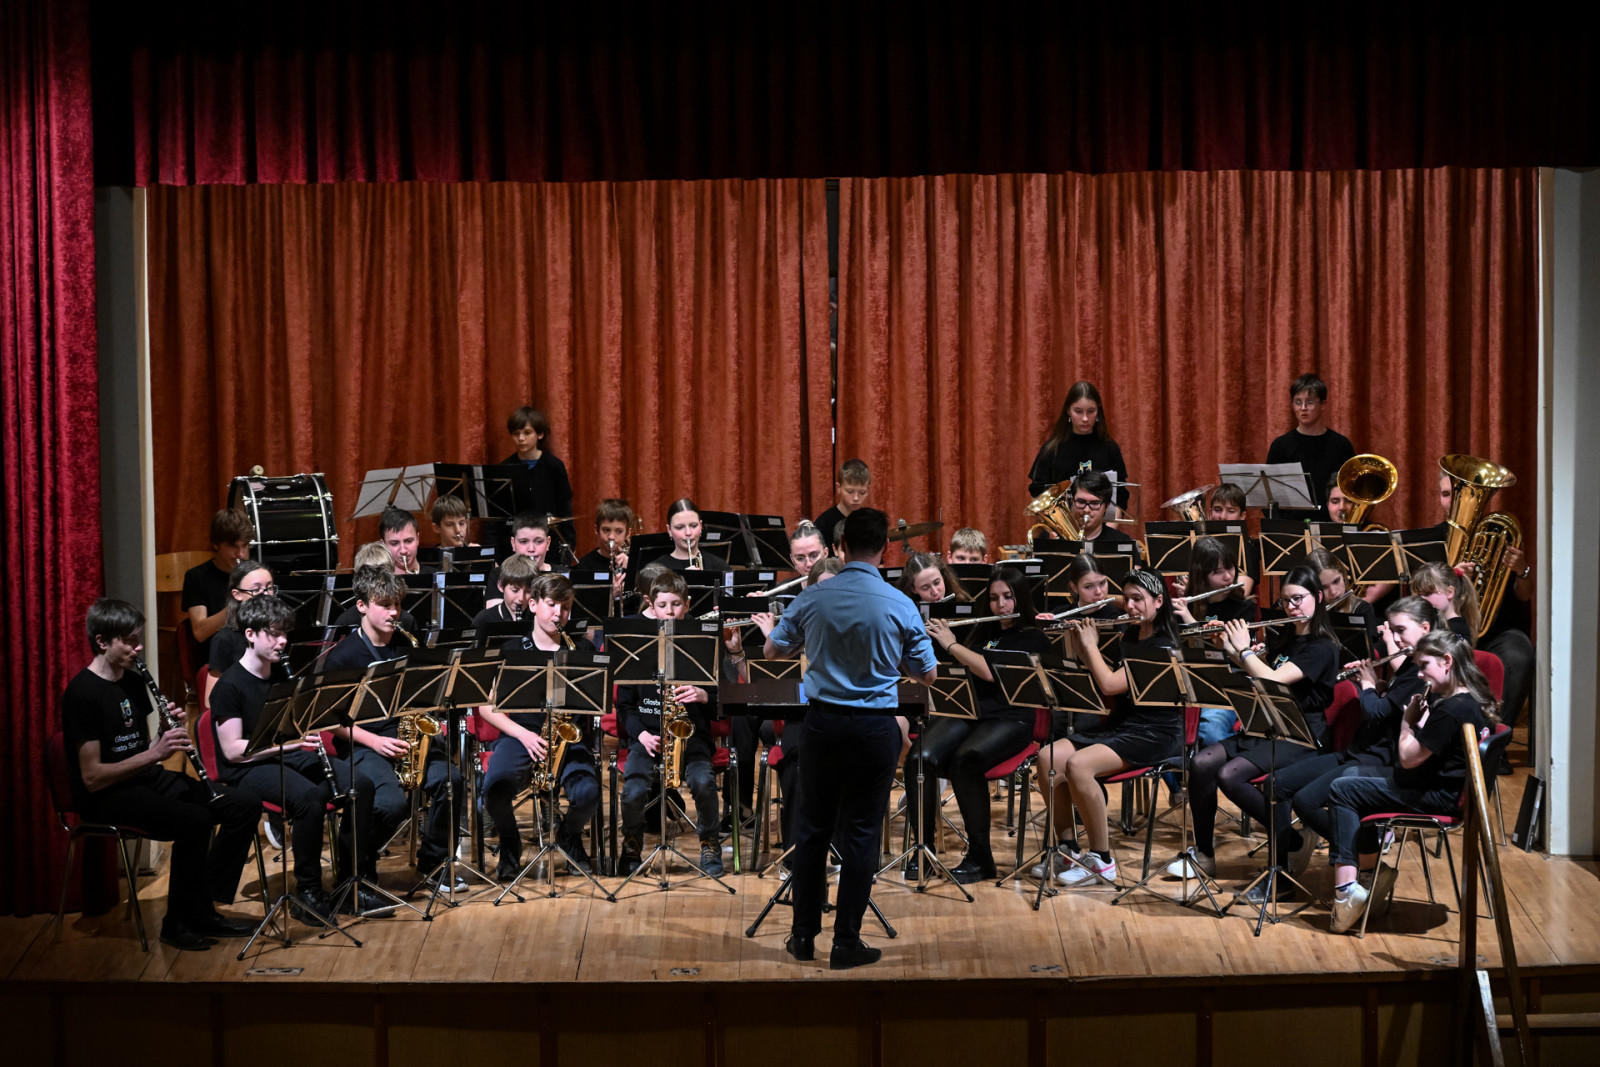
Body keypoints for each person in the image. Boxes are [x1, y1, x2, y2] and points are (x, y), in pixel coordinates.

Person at [760, 508, 938, 970]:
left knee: (812, 830)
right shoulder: (900, 603)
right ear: (884, 549)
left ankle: (803, 936)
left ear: (839, 547)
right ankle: (846, 942)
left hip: (823, 724)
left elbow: (772, 650)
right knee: (861, 834)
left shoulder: (814, 597)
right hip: (874, 727)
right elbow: (928, 674)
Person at [63, 598, 259, 950]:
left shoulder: (133, 682)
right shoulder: (82, 694)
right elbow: (92, 777)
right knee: (196, 820)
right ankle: (177, 923)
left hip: (143, 780)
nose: (138, 648)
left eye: (138, 639)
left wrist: (163, 735)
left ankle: (203, 904)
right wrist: (156, 753)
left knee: (242, 804)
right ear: (102, 641)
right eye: (129, 641)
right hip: (106, 796)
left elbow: (140, 750)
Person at [1174, 565, 1340, 897]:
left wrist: (1245, 649)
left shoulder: (1323, 647)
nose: (1291, 607)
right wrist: (1229, 648)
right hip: (1268, 726)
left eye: (1298, 599)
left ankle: (1287, 850)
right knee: (1202, 763)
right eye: (1285, 601)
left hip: (1301, 735)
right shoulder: (1286, 636)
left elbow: (1274, 681)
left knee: (1230, 775)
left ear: (1319, 598)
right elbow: (1257, 675)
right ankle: (1204, 855)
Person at [211, 594, 380, 917]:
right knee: (309, 798)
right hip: (247, 768)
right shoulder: (230, 685)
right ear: (250, 634)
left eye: (285, 634)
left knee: (361, 785)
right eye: (274, 634)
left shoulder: (282, 675)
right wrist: (292, 744)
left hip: (284, 755)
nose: (283, 641)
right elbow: (233, 751)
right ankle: (308, 892)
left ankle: (351, 882)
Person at [1322, 631, 1497, 933]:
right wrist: (1423, 723)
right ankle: (1367, 877)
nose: (1419, 674)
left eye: (1424, 665)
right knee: (1351, 776)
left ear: (1447, 661)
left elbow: (1407, 758)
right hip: (1439, 786)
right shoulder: (1470, 700)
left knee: (1341, 789)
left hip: (1437, 796)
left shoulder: (1452, 709)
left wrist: (1407, 723)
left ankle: (1346, 892)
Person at [1032, 569, 1180, 887]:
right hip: (1123, 725)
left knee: (1078, 765)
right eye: (1126, 599)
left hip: (1155, 731)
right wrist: (1077, 642)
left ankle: (1102, 860)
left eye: (1138, 599)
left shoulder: (1162, 645)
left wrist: (1090, 647)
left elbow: (1110, 684)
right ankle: (1067, 848)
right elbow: (1106, 674)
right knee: (1047, 757)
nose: (1130, 606)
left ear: (1159, 601)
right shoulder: (1132, 635)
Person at [1274, 598, 1441, 879]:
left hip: (1377, 760)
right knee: (1280, 783)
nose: (1394, 639)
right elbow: (1391, 703)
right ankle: (1356, 856)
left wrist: (1367, 685)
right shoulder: (1409, 665)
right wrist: (1378, 684)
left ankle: (1364, 860)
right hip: (1358, 751)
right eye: (1392, 631)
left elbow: (1377, 712)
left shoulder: (1421, 672)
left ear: (1425, 628)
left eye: (1401, 630)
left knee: (1306, 801)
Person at [322, 567, 464, 890]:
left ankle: (434, 862)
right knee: (391, 805)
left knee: (451, 781)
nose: (394, 612)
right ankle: (359, 866)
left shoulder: (407, 644)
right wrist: (374, 742)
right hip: (362, 744)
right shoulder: (342, 657)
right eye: (385, 605)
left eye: (397, 604)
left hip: (404, 738)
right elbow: (330, 722)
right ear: (361, 606)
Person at [912, 567, 1052, 882]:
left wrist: (951, 644)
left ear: (1021, 598)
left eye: (1008, 597)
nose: (1001, 605)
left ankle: (981, 856)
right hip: (971, 712)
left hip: (1013, 717)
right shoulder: (981, 631)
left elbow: (990, 672)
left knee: (967, 760)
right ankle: (923, 850)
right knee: (920, 757)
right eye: (993, 598)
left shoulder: (1033, 637)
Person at [476, 574, 601, 879]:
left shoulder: (582, 650)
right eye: (552, 605)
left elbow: (597, 704)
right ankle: (510, 844)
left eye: (566, 607)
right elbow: (485, 706)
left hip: (568, 738)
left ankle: (569, 835)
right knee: (494, 790)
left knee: (588, 793)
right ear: (533, 604)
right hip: (520, 736)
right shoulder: (511, 650)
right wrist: (523, 734)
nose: (559, 614)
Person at [614, 571, 735, 877]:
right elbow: (624, 706)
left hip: (692, 738)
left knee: (704, 783)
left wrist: (704, 695)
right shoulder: (636, 647)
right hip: (649, 739)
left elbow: (727, 697)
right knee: (632, 791)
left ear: (687, 605)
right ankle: (631, 843)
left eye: (676, 604)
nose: (669, 612)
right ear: (651, 606)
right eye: (662, 605)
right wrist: (642, 735)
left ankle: (709, 843)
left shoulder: (704, 645)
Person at [1170, 536, 1257, 749]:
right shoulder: (1186, 605)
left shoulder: (1243, 607)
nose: (1228, 576)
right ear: (1202, 576)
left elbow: (1231, 657)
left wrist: (1190, 621)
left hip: (1228, 679)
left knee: (1210, 731)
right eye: (1218, 572)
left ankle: (1228, 759)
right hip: (1190, 678)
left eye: (1230, 568)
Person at [1027, 381, 1131, 511]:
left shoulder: (1110, 448)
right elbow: (1037, 493)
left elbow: (1121, 495)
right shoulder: (1051, 449)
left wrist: (1111, 523)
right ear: (1068, 411)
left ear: (1098, 411)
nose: (1085, 418)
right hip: (1061, 522)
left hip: (1102, 522)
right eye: (1078, 411)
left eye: (1091, 411)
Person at [1265, 373, 1356, 510]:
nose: (1303, 408)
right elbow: (1269, 495)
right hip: (1291, 522)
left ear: (1323, 405)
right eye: (1298, 402)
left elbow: (1353, 493)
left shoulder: (1341, 445)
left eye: (1310, 402)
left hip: (1331, 521)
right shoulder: (1280, 446)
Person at [182, 508, 255, 657]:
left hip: (252, 655)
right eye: (233, 546)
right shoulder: (196, 577)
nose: (240, 554)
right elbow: (200, 632)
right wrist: (236, 605)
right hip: (218, 658)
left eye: (245, 545)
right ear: (216, 544)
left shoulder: (254, 574)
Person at [204, 560, 278, 705]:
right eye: (256, 590)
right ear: (237, 594)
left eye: (269, 588)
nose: (266, 595)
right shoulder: (225, 639)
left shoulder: (280, 635)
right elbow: (210, 701)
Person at [502, 405, 575, 548]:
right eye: (516, 433)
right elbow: (495, 519)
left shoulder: (554, 466)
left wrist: (569, 544)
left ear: (540, 434)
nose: (521, 438)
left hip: (549, 544)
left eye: (527, 433)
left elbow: (565, 509)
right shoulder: (505, 468)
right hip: (513, 546)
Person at [573, 498, 636, 603]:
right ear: (596, 530)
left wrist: (633, 568)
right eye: (606, 530)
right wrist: (610, 595)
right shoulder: (586, 564)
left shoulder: (633, 561)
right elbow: (583, 604)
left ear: (628, 533)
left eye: (619, 531)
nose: (611, 537)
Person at [652, 498, 732, 573]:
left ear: (700, 526)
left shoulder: (720, 567)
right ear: (669, 530)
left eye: (693, 526)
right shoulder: (656, 570)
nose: (688, 533)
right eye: (680, 527)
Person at [1411, 561, 1480, 644]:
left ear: (1449, 592)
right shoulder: (1433, 625)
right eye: (1419, 595)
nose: (1421, 599)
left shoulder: (1458, 630)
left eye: (1427, 593)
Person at [471, 552, 539, 636]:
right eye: (515, 590)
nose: (521, 598)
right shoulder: (484, 619)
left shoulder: (538, 617)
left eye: (528, 591)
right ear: (501, 586)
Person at [814, 459, 871, 552]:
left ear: (868, 490)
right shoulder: (823, 524)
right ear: (838, 488)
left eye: (862, 492)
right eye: (850, 491)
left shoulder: (870, 522)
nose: (856, 498)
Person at [1069, 471, 1135, 548]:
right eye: (1081, 502)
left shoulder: (1123, 542)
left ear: (1106, 506)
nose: (1086, 510)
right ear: (1072, 501)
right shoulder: (1058, 539)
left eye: (1094, 503)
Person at [378, 506, 426, 575]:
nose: (403, 551)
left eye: (409, 541)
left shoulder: (437, 577)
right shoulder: (378, 580)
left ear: (417, 539)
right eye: (394, 543)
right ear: (383, 545)